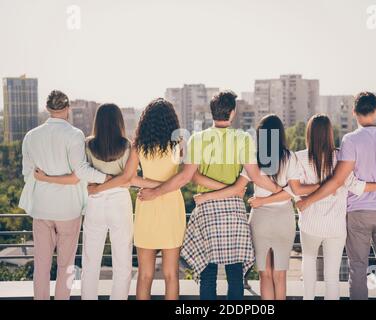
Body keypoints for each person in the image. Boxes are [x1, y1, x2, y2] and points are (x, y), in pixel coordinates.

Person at [137, 91, 282, 300]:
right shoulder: (243, 138)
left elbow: (190, 176)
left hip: (206, 210)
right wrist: (279, 190)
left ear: (211, 112)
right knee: (235, 275)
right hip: (233, 209)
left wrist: (155, 192)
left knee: (207, 274)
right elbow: (256, 177)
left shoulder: (197, 139)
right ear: (232, 113)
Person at [297, 93, 376, 300]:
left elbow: (337, 180)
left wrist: (308, 200)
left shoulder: (350, 140)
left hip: (357, 214)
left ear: (354, 113)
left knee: (357, 269)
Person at [194, 114, 318, 300]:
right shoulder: (290, 157)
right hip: (284, 220)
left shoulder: (254, 158)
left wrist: (206, 196)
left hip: (260, 220)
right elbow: (293, 191)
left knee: (265, 275)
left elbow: (237, 189)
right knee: (280, 275)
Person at [34, 103, 150, 300]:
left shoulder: (87, 144)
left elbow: (80, 173)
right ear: (119, 121)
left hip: (94, 201)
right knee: (122, 262)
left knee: (90, 262)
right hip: (120, 203)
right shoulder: (127, 146)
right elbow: (128, 179)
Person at [87, 98, 186, 300]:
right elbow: (182, 178)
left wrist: (99, 188)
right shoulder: (179, 144)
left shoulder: (139, 145)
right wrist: (161, 186)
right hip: (172, 207)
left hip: (146, 208)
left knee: (144, 275)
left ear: (146, 120)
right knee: (171, 274)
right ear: (171, 120)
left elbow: (128, 178)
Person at [19, 90, 108, 300]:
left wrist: (46, 178)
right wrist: (110, 178)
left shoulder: (31, 136)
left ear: (48, 109)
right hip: (69, 210)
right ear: (67, 109)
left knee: (41, 264)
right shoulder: (74, 135)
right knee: (66, 266)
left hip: (41, 209)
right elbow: (80, 174)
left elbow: (27, 175)